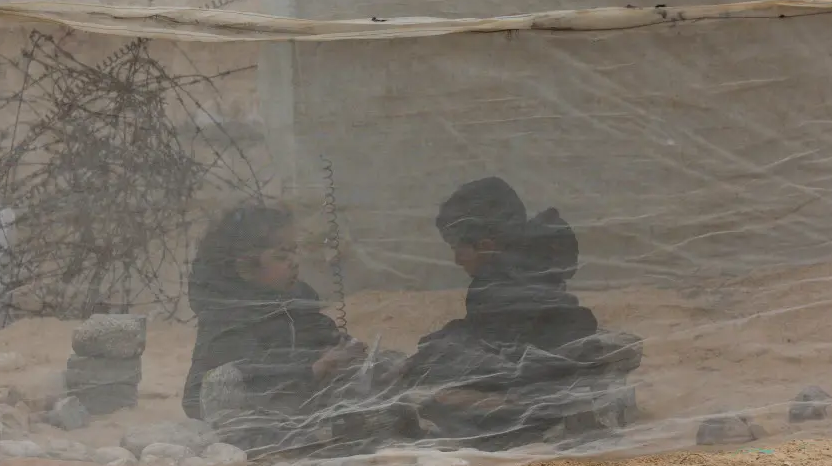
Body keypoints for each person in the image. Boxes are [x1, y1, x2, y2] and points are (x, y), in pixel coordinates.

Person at [399, 176, 609, 447]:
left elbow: (497, 350)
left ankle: (527, 415)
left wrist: (429, 359)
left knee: (434, 396)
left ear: (486, 245)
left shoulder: (499, 284)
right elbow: (485, 327)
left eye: (457, 249)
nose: (456, 259)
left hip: (532, 382)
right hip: (543, 363)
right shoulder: (528, 265)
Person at [183, 203, 367, 423]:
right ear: (245, 266)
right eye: (281, 256)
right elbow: (247, 375)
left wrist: (341, 348)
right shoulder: (229, 315)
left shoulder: (296, 300)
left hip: (298, 403)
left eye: (294, 252)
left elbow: (316, 335)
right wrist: (311, 369)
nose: (294, 263)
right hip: (244, 420)